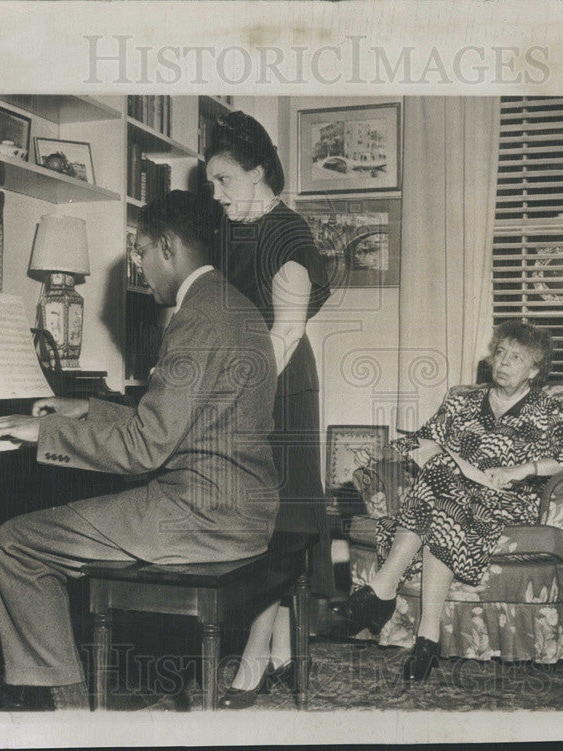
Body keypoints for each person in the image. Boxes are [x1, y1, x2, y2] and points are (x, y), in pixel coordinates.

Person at [0, 190, 279, 710]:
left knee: (15, 542)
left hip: (198, 516)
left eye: (139, 253)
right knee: (44, 531)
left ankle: (66, 710)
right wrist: (86, 409)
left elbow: (144, 448)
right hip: (245, 508)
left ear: (167, 248)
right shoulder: (237, 306)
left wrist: (40, 432)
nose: (138, 266)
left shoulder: (196, 319)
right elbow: (183, 423)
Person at [329, 322, 563, 683]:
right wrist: (390, 450)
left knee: (440, 488)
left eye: (515, 357)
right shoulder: (461, 401)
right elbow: (420, 440)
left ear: (534, 370)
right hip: (450, 495)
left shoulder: (550, 409)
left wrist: (525, 468)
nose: (502, 362)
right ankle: (427, 638)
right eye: (499, 352)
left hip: (507, 501)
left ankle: (384, 590)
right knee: (444, 490)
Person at [203, 110, 333, 708]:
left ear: (257, 173)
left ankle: (255, 661)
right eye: (211, 183)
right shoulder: (236, 227)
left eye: (224, 179)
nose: (216, 192)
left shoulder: (286, 237)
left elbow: (283, 334)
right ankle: (281, 650)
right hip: (249, 373)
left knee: (274, 524)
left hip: (276, 386)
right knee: (267, 518)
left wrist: (238, 398)